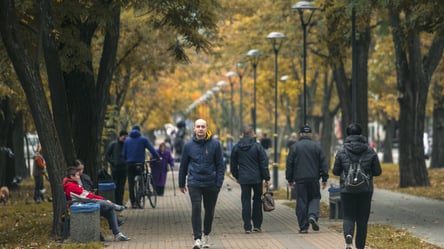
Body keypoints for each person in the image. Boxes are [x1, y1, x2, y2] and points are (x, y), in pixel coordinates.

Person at [332, 123, 382, 249]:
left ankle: (348, 236)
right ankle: (360, 246)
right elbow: (377, 171)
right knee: (362, 219)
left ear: (348, 134)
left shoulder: (342, 150)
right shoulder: (370, 150)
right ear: (361, 134)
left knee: (348, 216)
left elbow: (335, 171)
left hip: (347, 189)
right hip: (365, 189)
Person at [178, 119, 225, 249]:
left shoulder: (215, 144)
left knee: (209, 210)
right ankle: (197, 238)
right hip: (194, 182)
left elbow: (220, 165)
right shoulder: (188, 146)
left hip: (211, 183)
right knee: (196, 208)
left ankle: (207, 234)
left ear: (207, 128)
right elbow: (183, 166)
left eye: (202, 127)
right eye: (198, 127)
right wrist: (181, 183)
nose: (200, 129)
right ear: (194, 129)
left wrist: (218, 183)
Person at [63, 167, 129, 241]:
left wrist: (102, 199)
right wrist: (103, 199)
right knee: (106, 204)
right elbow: (87, 196)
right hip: (81, 206)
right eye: (77, 175)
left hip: (84, 204)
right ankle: (116, 207)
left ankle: (117, 234)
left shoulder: (73, 184)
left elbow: (86, 195)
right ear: (72, 176)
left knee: (109, 210)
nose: (79, 176)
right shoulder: (71, 186)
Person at [285, 125, 329, 234]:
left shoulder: (294, 147)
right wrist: (324, 178)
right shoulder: (317, 147)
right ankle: (313, 215)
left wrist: (289, 179)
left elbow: (289, 164)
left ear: (300, 134)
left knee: (301, 202)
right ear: (310, 134)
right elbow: (324, 163)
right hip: (314, 178)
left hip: (299, 179)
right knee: (315, 197)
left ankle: (303, 227)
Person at [230, 125, 270, 233]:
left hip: (244, 179)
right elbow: (263, 163)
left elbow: (233, 164)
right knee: (257, 200)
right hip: (257, 178)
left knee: (245, 201)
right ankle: (257, 225)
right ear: (253, 134)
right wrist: (266, 177)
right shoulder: (258, 147)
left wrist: (237, 176)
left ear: (242, 134)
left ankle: (247, 226)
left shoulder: (237, 147)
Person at [123, 125, 160, 208]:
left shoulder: (127, 140)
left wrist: (127, 160)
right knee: (141, 181)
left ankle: (133, 203)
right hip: (140, 163)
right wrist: (157, 157)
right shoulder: (143, 139)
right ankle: (138, 197)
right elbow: (151, 149)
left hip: (130, 164)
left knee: (131, 184)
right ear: (139, 131)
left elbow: (123, 154)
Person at [105, 130, 128, 205]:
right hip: (115, 169)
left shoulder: (126, 145)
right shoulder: (113, 144)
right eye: (123, 137)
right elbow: (107, 155)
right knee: (115, 186)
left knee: (121, 187)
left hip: (124, 169)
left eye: (126, 137)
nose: (125, 138)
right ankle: (115, 202)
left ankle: (120, 203)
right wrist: (113, 162)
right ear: (120, 136)